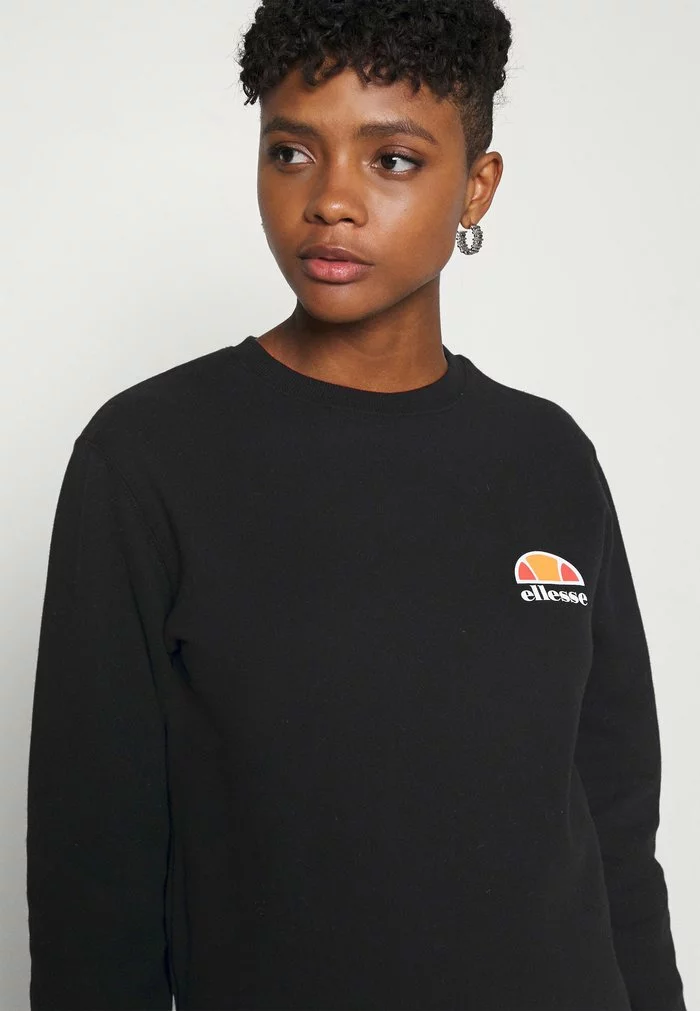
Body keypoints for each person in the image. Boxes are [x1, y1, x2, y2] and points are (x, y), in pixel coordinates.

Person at [26, 0, 687, 1009]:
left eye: (392, 160)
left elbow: (617, 827)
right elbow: (92, 886)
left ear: (476, 187)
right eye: (291, 152)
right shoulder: (148, 458)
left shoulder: (550, 458)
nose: (330, 200)